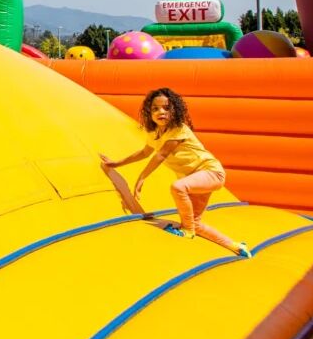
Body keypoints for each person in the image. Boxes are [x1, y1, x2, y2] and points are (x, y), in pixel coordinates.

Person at [101, 88, 253, 258]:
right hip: (195, 179)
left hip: (210, 172)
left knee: (178, 188)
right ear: (149, 112)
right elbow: (144, 152)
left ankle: (188, 231)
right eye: (155, 109)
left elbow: (161, 154)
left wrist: (142, 178)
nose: (161, 112)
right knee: (196, 222)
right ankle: (236, 246)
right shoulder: (154, 133)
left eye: (166, 108)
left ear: (175, 110)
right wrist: (116, 163)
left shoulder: (178, 129)